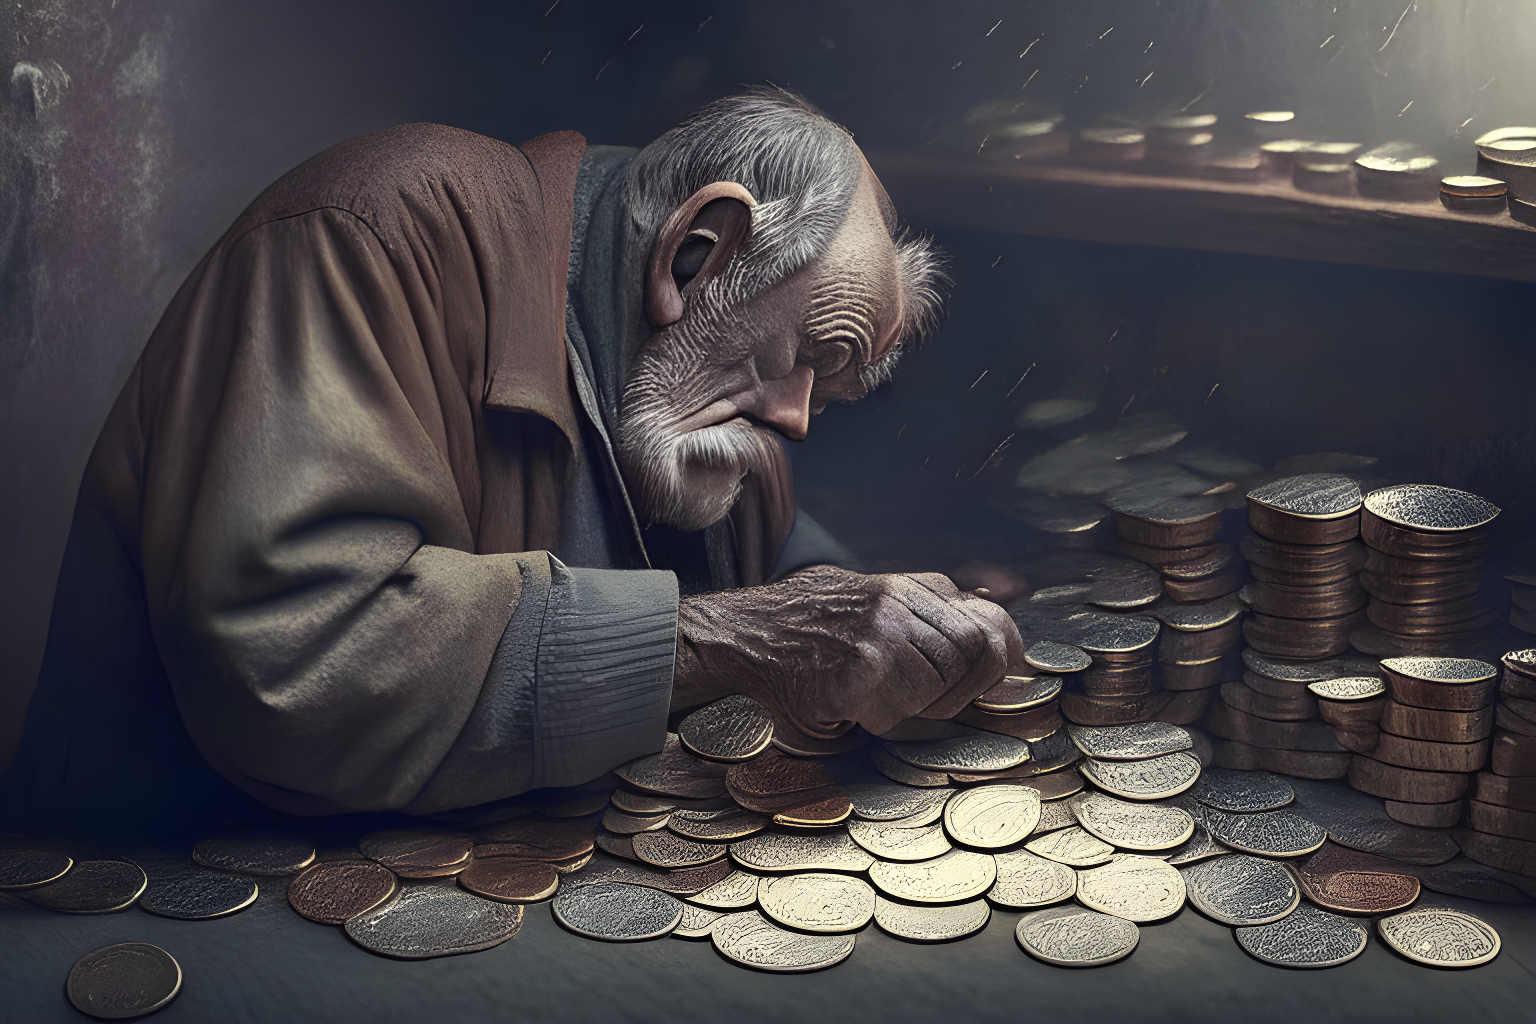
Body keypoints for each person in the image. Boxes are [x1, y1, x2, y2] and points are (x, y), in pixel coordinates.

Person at [3, 89, 1024, 831]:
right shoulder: (371, 236)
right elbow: (290, 658)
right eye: (802, 357)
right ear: (694, 254)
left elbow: (770, 558)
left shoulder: (693, 388)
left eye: (828, 391)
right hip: (157, 893)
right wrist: (731, 639)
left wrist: (880, 611)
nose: (797, 422)